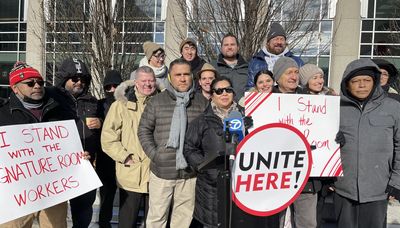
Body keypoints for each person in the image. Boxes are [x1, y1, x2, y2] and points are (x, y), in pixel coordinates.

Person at [0, 62, 75, 228]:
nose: (37, 86)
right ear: (15, 88)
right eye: (30, 83)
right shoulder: (3, 113)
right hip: (18, 191)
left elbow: (71, 144)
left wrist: (79, 155)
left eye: (40, 82)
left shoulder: (59, 110)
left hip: (53, 187)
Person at [138, 58, 208, 228]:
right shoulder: (157, 101)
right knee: (156, 218)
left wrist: (199, 160)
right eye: (178, 75)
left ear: (192, 77)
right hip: (162, 171)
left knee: (183, 219)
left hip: (190, 173)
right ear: (170, 77)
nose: (182, 79)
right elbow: (143, 130)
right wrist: (156, 155)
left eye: (186, 74)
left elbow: (208, 135)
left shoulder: (201, 103)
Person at [334, 58, 400, 228]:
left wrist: (396, 182)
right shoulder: (335, 109)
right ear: (347, 84)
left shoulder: (393, 108)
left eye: (367, 80)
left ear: (375, 81)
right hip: (343, 188)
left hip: (378, 188)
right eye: (356, 81)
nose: (362, 85)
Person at [101, 66, 158, 227]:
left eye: (151, 81)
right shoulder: (120, 105)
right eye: (144, 81)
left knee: (155, 223)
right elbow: (108, 137)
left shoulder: (163, 102)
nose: (148, 84)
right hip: (131, 174)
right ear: (136, 83)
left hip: (157, 175)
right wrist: (125, 157)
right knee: (127, 223)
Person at [272, 57, 322, 228]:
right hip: (274, 176)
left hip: (305, 176)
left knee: (307, 222)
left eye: (295, 72)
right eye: (289, 73)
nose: (294, 76)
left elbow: (321, 131)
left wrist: (332, 136)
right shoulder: (265, 100)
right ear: (278, 77)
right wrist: (251, 123)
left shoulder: (311, 99)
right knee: (274, 222)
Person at [55, 57, 101, 228]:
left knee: (83, 213)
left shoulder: (92, 101)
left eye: (83, 79)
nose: (79, 82)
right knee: (55, 215)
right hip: (57, 167)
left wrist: (100, 123)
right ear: (64, 79)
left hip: (85, 164)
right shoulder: (52, 100)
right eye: (74, 78)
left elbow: (108, 130)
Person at [96, 70, 122, 228]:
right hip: (105, 157)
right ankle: (104, 223)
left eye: (116, 86)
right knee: (106, 193)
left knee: (128, 193)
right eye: (108, 87)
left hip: (125, 154)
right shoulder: (100, 104)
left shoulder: (128, 103)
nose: (112, 90)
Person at [248, 22, 304, 88]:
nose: (279, 42)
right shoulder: (255, 62)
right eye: (276, 39)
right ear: (268, 43)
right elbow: (250, 87)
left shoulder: (297, 62)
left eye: (282, 39)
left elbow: (303, 85)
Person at [212, 33, 248, 102]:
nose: (229, 47)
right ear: (221, 48)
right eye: (226, 45)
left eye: (232, 44)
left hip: (243, 109)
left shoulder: (247, 67)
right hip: (219, 110)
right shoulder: (213, 66)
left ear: (238, 47)